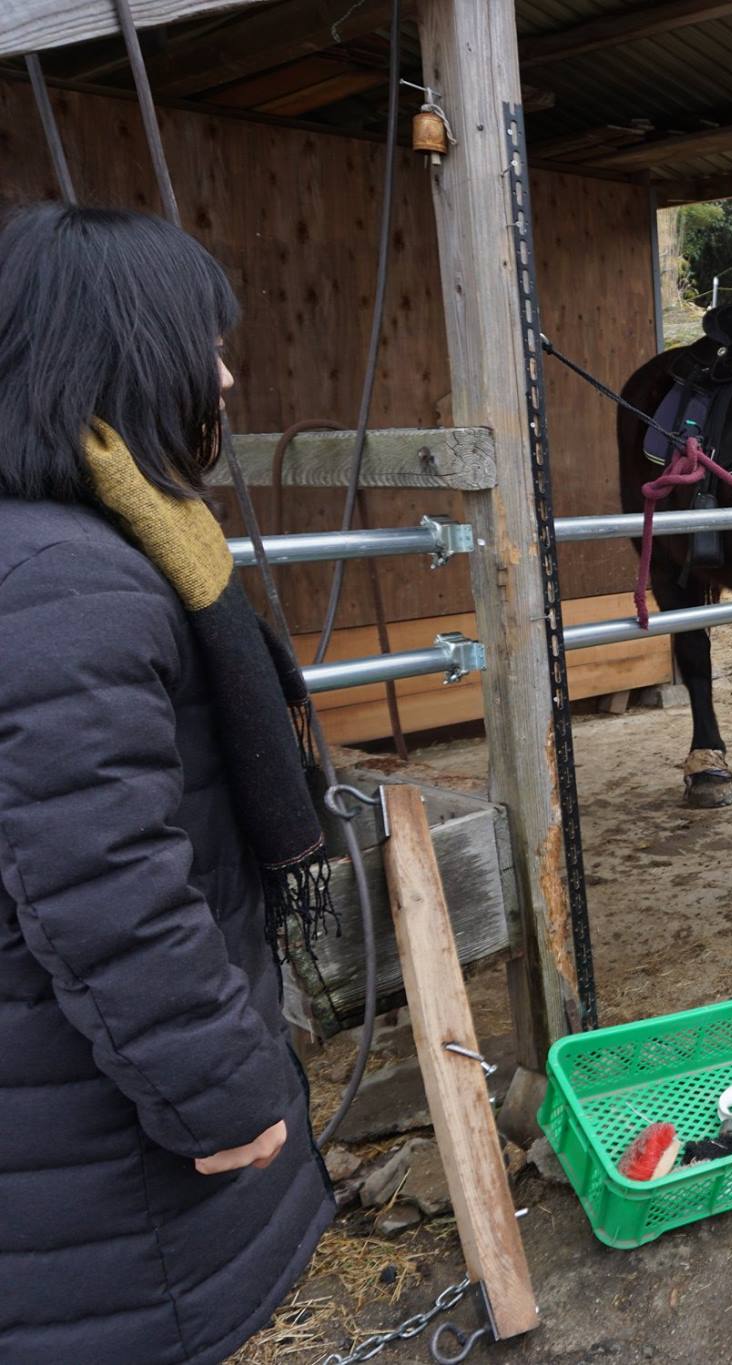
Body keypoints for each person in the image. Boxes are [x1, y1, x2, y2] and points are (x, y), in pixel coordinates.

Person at [0, 204, 335, 1363]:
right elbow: (105, 890)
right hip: (90, 1160)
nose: (228, 377)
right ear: (122, 356)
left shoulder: (64, 550)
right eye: (206, 346)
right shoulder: (61, 585)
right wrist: (223, 1095)